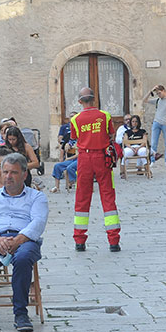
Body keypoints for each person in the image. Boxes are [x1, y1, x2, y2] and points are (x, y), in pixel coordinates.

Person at [0, 153, 48, 332]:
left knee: (22, 258)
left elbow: (38, 222)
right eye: (5, 172)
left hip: (25, 239)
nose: (8, 176)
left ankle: (21, 313)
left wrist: (18, 240)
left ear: (24, 174)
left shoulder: (37, 197)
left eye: (13, 172)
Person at [70, 87, 120, 252]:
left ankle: (79, 240)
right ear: (94, 99)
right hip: (102, 158)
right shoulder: (105, 116)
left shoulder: (75, 120)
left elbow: (74, 139)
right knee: (108, 196)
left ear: (79, 102)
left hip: (84, 158)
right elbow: (111, 135)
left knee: (82, 197)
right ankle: (113, 240)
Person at [143, 84, 166, 167]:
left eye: (160, 93)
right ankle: (152, 161)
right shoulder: (157, 100)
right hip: (156, 122)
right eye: (157, 93)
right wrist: (151, 90)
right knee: (154, 142)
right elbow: (144, 100)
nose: (159, 95)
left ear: (164, 91)